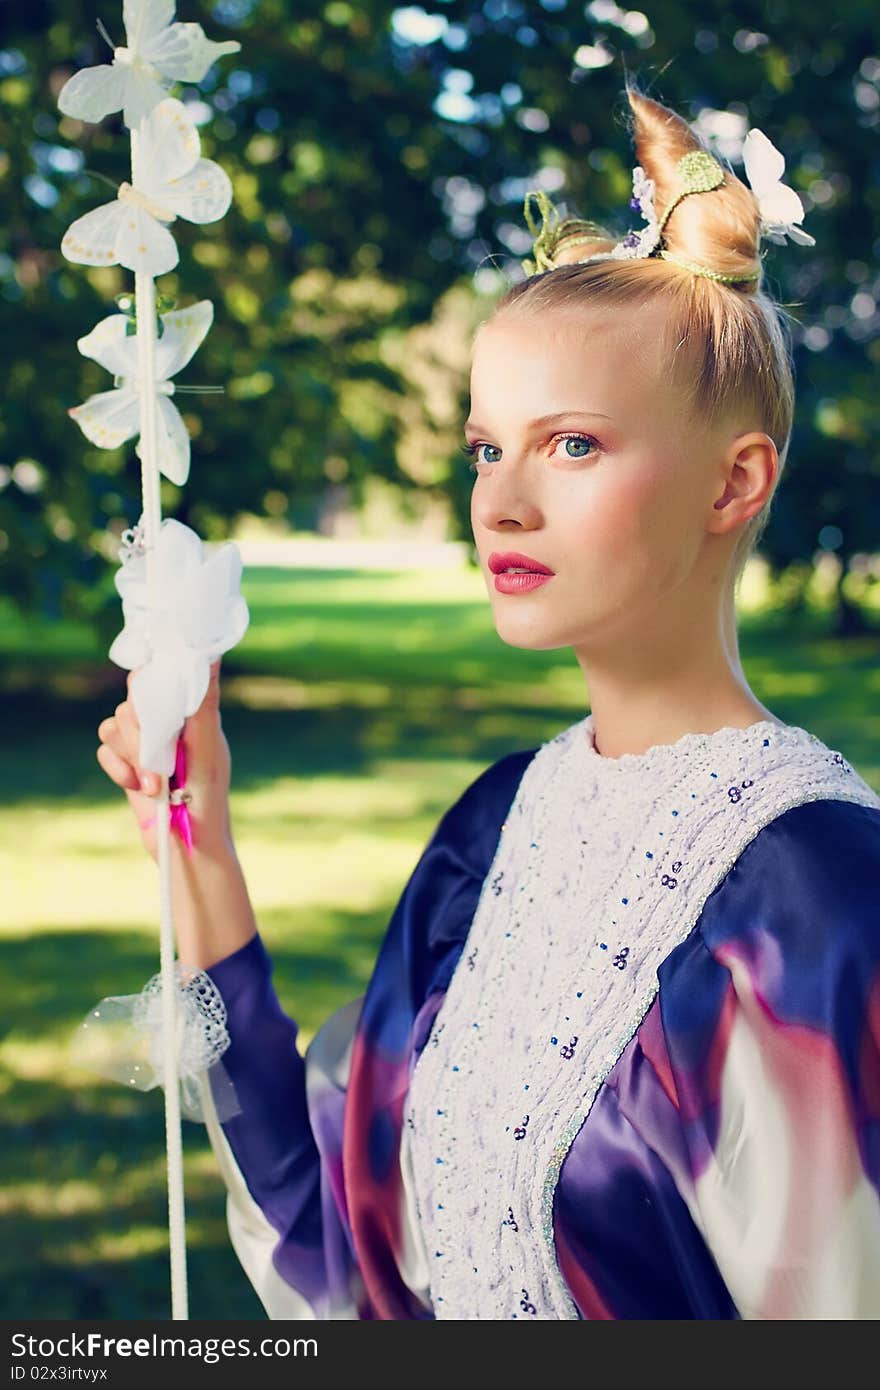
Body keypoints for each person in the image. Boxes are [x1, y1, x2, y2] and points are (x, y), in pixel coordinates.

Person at [95, 83, 880, 1320]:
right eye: (483, 447)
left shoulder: (821, 898)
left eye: (570, 444)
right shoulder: (496, 824)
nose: (500, 501)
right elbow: (337, 1245)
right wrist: (196, 835)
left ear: (735, 482)